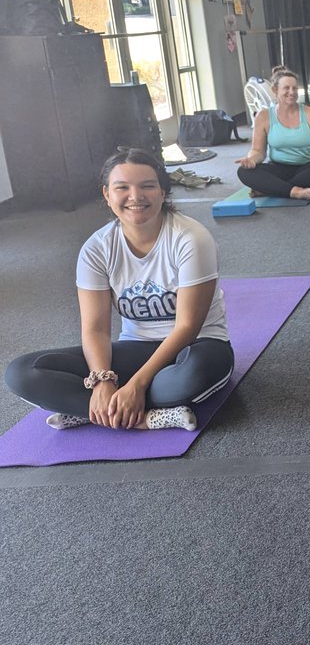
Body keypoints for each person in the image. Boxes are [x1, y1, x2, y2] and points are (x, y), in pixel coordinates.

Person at [4, 147, 235, 432]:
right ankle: (143, 417)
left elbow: (187, 326)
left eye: (147, 186)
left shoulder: (191, 239)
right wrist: (103, 380)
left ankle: (93, 410)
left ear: (163, 192)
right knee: (22, 372)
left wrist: (136, 384)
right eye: (122, 187)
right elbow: (96, 329)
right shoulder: (96, 249)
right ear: (107, 195)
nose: (135, 196)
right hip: (135, 348)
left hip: (196, 346)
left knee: (186, 379)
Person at [235, 66, 310, 202]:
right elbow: (258, 151)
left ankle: (272, 188)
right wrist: (251, 160)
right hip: (278, 168)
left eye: (294, 88)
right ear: (275, 90)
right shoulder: (263, 116)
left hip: (307, 167)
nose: (291, 92)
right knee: (243, 172)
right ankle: (294, 191)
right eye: (286, 88)